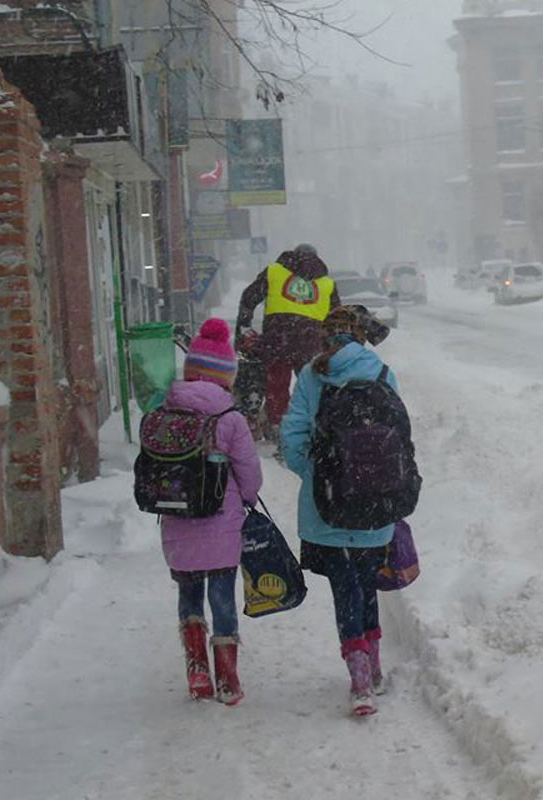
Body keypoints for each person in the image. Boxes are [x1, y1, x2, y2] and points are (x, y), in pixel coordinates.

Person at [278, 305, 396, 717]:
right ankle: (375, 664)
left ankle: (360, 678)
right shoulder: (381, 372)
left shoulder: (312, 374)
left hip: (327, 505)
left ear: (325, 337)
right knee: (366, 583)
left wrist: (314, 473)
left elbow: (291, 435)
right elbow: (401, 434)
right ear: (360, 336)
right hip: (376, 504)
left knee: (344, 588)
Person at [160, 318, 263, 705]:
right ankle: (228, 680)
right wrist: (247, 499)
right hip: (221, 525)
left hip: (178, 519)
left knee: (189, 594)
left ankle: (197, 672)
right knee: (222, 598)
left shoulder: (168, 411)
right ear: (226, 376)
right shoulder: (230, 419)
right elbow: (249, 474)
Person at [235, 245, 341, 436]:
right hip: (311, 341)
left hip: (277, 338)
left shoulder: (275, 272)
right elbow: (336, 317)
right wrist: (332, 345)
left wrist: (243, 327)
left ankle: (278, 423)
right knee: (312, 385)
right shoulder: (327, 284)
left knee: (277, 384)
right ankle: (312, 423)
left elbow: (249, 298)